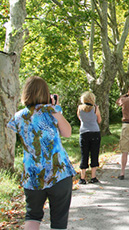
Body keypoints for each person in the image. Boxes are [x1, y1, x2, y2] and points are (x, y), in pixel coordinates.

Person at [7, 76, 76, 230]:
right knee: (59, 221)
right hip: (59, 173)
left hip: (32, 176)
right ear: (46, 93)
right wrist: (56, 109)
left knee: (32, 216)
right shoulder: (51, 112)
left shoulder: (18, 117)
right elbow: (67, 133)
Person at [77, 91, 101, 184]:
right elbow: (99, 120)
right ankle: (93, 176)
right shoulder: (95, 108)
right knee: (94, 153)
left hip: (84, 133)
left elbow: (80, 118)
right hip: (94, 132)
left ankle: (82, 178)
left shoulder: (79, 108)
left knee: (84, 154)